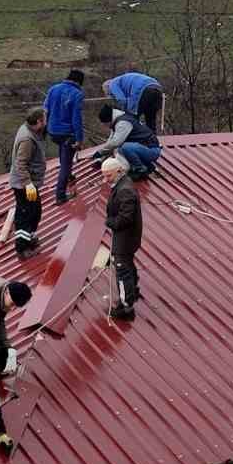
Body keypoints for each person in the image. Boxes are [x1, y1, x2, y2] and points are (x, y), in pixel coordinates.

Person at [101, 155, 144, 320]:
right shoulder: (122, 184)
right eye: (104, 175)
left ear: (118, 171)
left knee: (122, 270)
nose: (105, 179)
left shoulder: (125, 190)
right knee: (127, 263)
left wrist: (110, 222)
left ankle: (126, 307)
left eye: (108, 175)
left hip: (125, 237)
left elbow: (125, 218)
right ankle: (133, 290)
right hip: (126, 236)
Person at [7, 107, 49, 260]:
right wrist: (28, 183)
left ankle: (29, 236)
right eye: (45, 119)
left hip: (28, 183)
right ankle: (22, 249)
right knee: (25, 215)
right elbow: (20, 164)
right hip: (24, 184)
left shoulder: (29, 130)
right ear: (38, 121)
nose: (46, 122)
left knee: (35, 212)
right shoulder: (27, 140)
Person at [43, 69, 86, 204]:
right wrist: (79, 139)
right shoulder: (77, 94)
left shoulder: (53, 89)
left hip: (53, 132)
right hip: (68, 134)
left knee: (64, 155)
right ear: (79, 82)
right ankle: (60, 196)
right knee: (66, 165)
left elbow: (45, 110)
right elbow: (76, 119)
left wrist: (46, 129)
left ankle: (68, 177)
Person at [95, 104, 161, 179]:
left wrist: (100, 152)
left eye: (105, 124)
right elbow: (110, 142)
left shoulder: (123, 123)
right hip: (143, 148)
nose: (106, 126)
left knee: (125, 147)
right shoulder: (117, 121)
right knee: (120, 150)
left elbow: (115, 143)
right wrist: (101, 159)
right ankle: (147, 166)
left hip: (152, 150)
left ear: (109, 120)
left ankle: (140, 169)